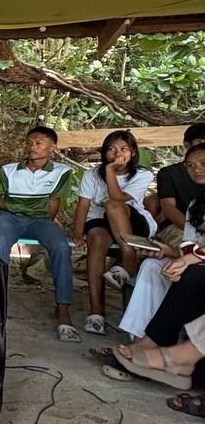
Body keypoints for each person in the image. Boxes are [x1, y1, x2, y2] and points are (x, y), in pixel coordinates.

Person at [0, 126, 78, 341]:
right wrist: (12, 209)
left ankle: (63, 307)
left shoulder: (62, 172)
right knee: (0, 242)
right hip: (9, 217)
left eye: (39, 143)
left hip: (40, 220)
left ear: (52, 147)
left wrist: (43, 222)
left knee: (61, 246)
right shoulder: (9, 170)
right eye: (29, 142)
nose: (32, 147)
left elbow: (54, 202)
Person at [117, 142, 205, 340]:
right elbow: (189, 245)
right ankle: (139, 338)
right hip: (199, 262)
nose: (197, 170)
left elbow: (191, 256)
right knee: (153, 265)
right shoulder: (196, 205)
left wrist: (189, 260)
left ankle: (158, 345)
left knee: (191, 272)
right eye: (190, 165)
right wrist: (168, 252)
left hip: (199, 266)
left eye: (203, 163)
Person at [72, 130, 155, 335]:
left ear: (133, 152)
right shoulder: (92, 174)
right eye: (111, 149)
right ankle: (96, 313)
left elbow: (117, 199)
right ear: (104, 153)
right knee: (96, 239)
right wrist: (77, 230)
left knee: (112, 205)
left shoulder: (143, 174)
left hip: (134, 222)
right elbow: (83, 205)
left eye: (123, 149)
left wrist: (110, 172)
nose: (117, 154)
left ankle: (128, 259)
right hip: (101, 221)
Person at [154, 122, 205, 247]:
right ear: (187, 145)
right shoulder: (169, 174)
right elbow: (169, 208)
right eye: (200, 142)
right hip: (178, 226)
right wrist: (194, 232)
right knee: (186, 245)